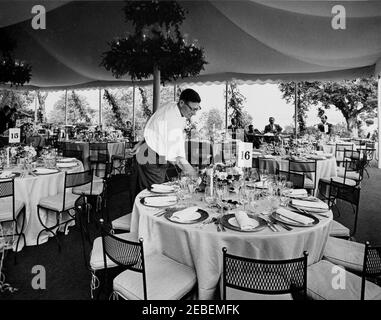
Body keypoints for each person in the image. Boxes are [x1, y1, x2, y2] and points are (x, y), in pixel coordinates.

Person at [129, 88, 201, 192]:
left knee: (147, 190)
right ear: (181, 103)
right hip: (152, 158)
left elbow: (153, 126)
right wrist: (196, 176)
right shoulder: (172, 120)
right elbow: (179, 160)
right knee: (156, 192)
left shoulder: (171, 105)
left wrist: (141, 143)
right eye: (192, 109)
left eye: (197, 109)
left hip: (148, 151)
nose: (194, 113)